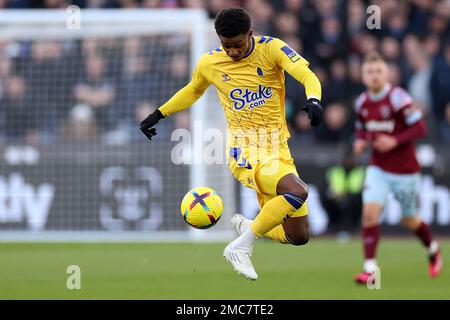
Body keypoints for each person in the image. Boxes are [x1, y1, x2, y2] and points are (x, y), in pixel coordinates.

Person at [139, 7, 323, 280]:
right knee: (298, 190)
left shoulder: (272, 49)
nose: (233, 52)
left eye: (237, 45)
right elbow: (192, 90)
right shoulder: (210, 63)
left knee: (298, 236)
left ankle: (251, 227)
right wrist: (159, 114)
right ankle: (242, 246)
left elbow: (307, 74)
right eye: (227, 46)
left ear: (250, 34)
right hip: (245, 150)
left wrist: (314, 99)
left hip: (278, 148)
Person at [352, 52, 442, 284]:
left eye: (378, 71)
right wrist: (360, 141)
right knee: (370, 215)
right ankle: (370, 270)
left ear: (387, 74)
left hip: (405, 170)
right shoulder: (362, 102)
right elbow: (362, 128)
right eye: (370, 72)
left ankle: (432, 248)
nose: (374, 76)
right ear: (363, 76)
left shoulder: (398, 98)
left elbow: (420, 128)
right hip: (378, 168)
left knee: (409, 220)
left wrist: (395, 141)